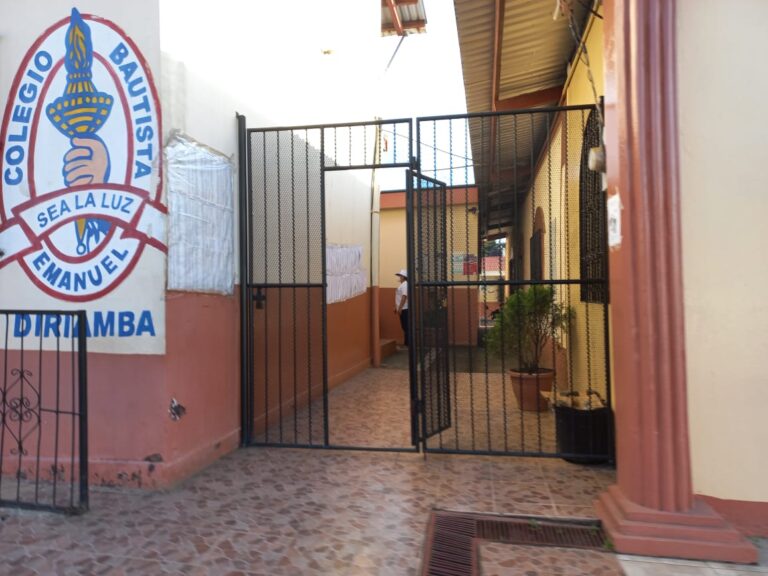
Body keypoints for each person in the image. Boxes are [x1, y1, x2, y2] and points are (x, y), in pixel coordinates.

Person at [394, 269, 409, 349]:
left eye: (400, 276)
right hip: (402, 308)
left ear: (403, 277)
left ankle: (407, 344)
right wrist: (396, 307)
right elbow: (399, 297)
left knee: (406, 327)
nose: (399, 277)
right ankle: (407, 344)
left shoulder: (405, 285)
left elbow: (404, 296)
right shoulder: (403, 284)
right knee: (404, 326)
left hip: (404, 309)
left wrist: (399, 308)